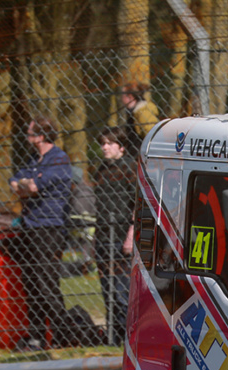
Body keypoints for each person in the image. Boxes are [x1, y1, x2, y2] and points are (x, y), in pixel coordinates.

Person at [8, 116, 77, 350]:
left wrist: (27, 186)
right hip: (30, 225)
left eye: (30, 132)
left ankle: (62, 334)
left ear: (40, 136)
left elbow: (34, 187)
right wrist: (25, 185)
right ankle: (37, 336)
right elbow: (15, 182)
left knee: (46, 282)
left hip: (49, 228)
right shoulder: (34, 160)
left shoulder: (58, 159)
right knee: (31, 283)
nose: (27, 136)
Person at [93, 127, 136, 344]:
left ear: (121, 146)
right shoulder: (100, 170)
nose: (105, 147)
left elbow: (139, 204)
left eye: (110, 143)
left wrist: (131, 235)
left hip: (121, 237)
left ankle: (127, 336)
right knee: (107, 290)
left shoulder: (130, 168)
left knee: (122, 291)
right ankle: (114, 336)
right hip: (102, 236)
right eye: (103, 143)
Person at [119, 82, 161, 154]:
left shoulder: (143, 112)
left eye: (122, 95)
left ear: (130, 97)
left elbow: (151, 134)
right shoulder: (133, 112)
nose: (120, 98)